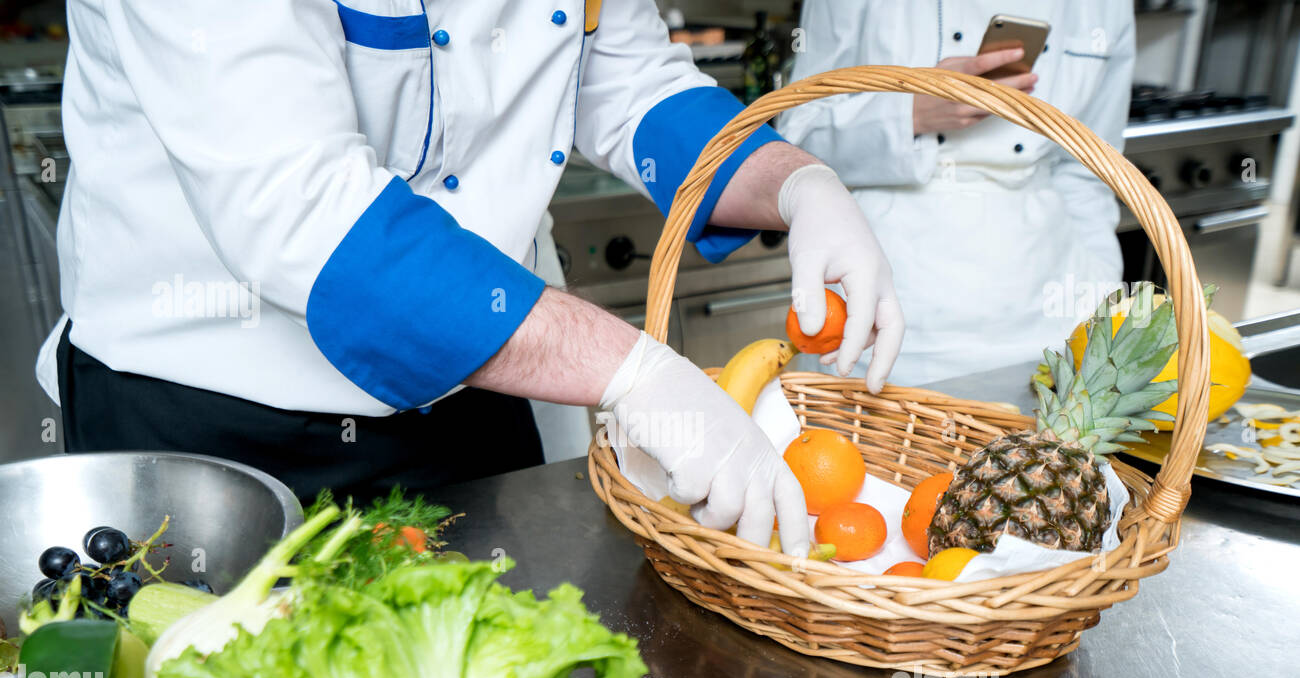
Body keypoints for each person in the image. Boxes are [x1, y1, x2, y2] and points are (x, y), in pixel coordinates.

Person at [39, 1, 907, 556]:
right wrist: (637, 372)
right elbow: (310, 214)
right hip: (212, 416)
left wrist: (794, 183)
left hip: (482, 380)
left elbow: (630, 83)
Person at [778, 1, 1134, 385]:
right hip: (898, 326)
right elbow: (797, 137)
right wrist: (909, 111)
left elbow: (1089, 173)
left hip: (1050, 327)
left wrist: (1098, 301)